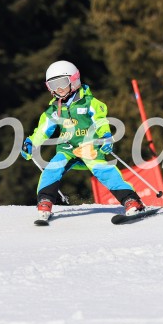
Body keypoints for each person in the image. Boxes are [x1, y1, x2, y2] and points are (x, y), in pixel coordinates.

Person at [21, 60, 146, 220]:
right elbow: (43, 130)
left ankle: (132, 201)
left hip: (90, 147)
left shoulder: (89, 103)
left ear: (73, 80)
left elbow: (100, 121)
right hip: (66, 149)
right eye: (53, 85)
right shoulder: (54, 110)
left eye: (61, 83)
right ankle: (45, 202)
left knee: (105, 173)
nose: (58, 89)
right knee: (52, 169)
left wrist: (106, 137)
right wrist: (32, 143)